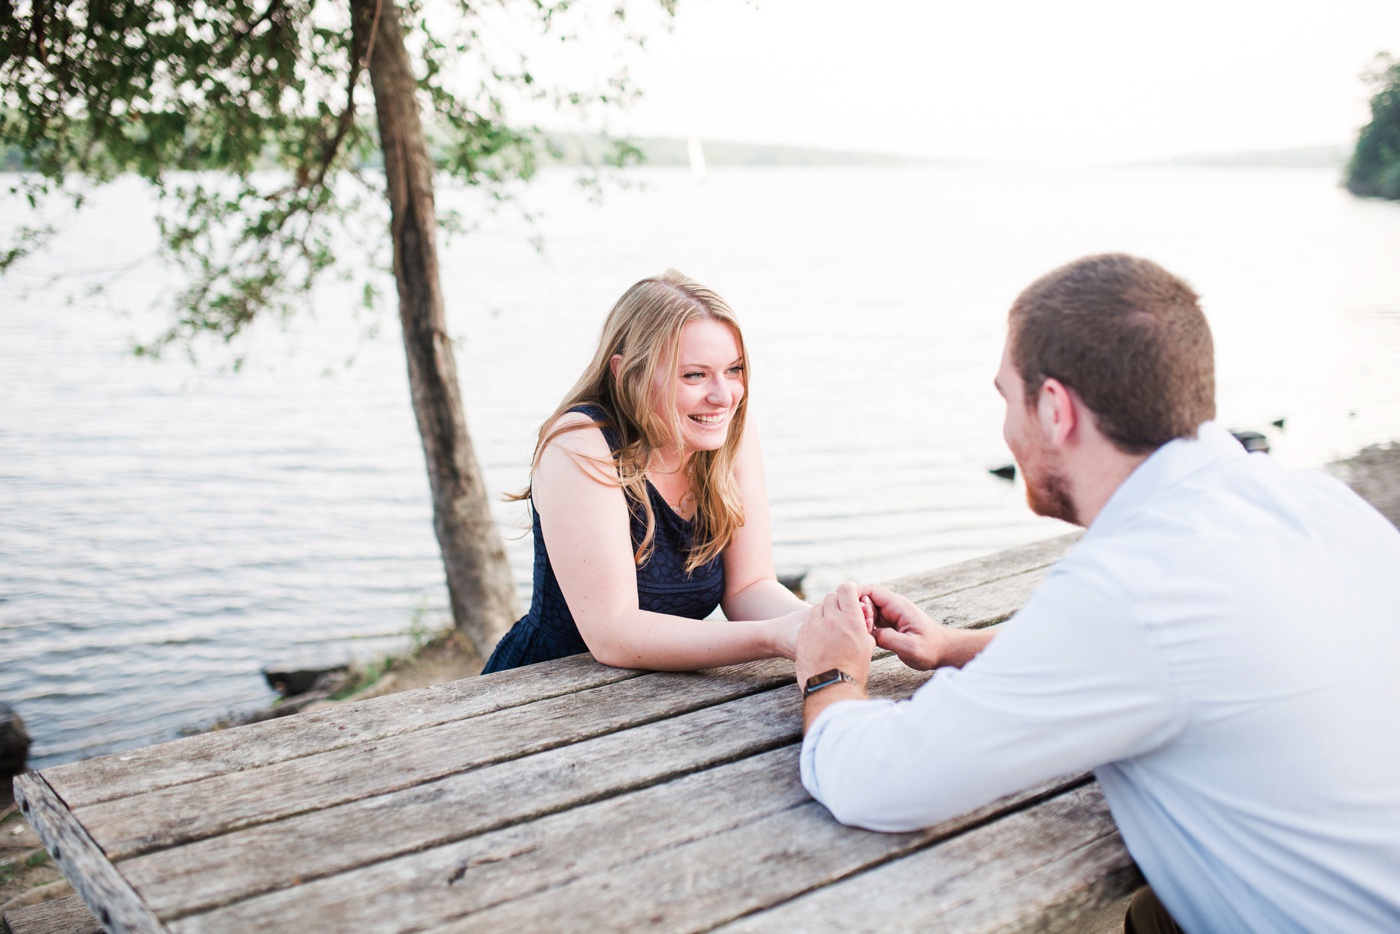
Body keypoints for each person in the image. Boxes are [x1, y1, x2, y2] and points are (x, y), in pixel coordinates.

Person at [795, 254, 1400, 932]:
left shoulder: (1135, 587)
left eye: (1006, 398)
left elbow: (876, 781)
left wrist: (831, 672)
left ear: (1055, 409)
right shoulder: (1314, 503)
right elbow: (1190, 658)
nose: (1005, 430)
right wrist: (956, 648)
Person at [483, 269, 814, 674]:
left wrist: (819, 621)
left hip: (661, 698)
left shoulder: (727, 430)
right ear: (627, 373)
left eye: (734, 369)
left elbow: (749, 588)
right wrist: (776, 637)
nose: (723, 396)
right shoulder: (580, 443)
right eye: (694, 374)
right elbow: (615, 632)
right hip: (541, 694)